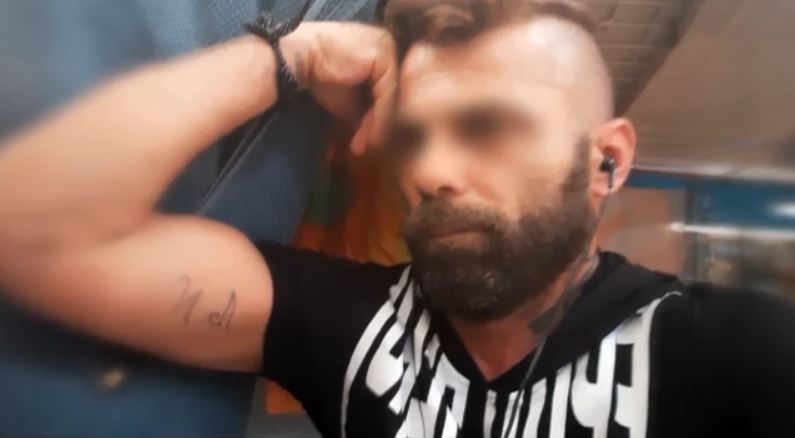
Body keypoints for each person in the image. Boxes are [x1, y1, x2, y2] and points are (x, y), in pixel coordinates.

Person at [0, 1, 793, 438]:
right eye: (414, 135)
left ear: (607, 163)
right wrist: (290, 58)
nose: (431, 171)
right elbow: (26, 229)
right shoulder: (346, 325)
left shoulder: (727, 351)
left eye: (490, 128)